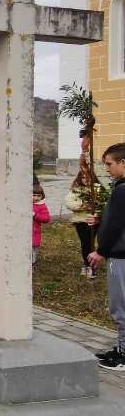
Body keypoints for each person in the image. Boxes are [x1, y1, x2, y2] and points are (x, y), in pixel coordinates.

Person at [87, 143, 125, 370]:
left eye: (110, 164)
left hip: (119, 256)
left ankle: (123, 355)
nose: (107, 169)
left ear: (123, 163)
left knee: (120, 306)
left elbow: (117, 225)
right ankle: (121, 348)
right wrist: (101, 220)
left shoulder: (122, 190)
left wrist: (101, 251)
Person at [65, 169, 100, 278]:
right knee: (85, 243)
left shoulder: (97, 188)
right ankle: (87, 264)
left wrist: (95, 206)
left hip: (94, 221)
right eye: (83, 177)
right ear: (80, 178)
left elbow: (104, 202)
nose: (86, 180)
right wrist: (82, 206)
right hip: (81, 221)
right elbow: (69, 202)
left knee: (91, 243)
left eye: (88, 177)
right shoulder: (76, 190)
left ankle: (91, 265)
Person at [32, 185, 51, 266]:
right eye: (34, 195)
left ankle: (32, 263)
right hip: (24, 231)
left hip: (35, 232)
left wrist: (35, 215)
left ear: (42, 196)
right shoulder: (25, 204)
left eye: (38, 196)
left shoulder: (42, 206)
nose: (36, 198)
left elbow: (46, 218)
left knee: (33, 248)